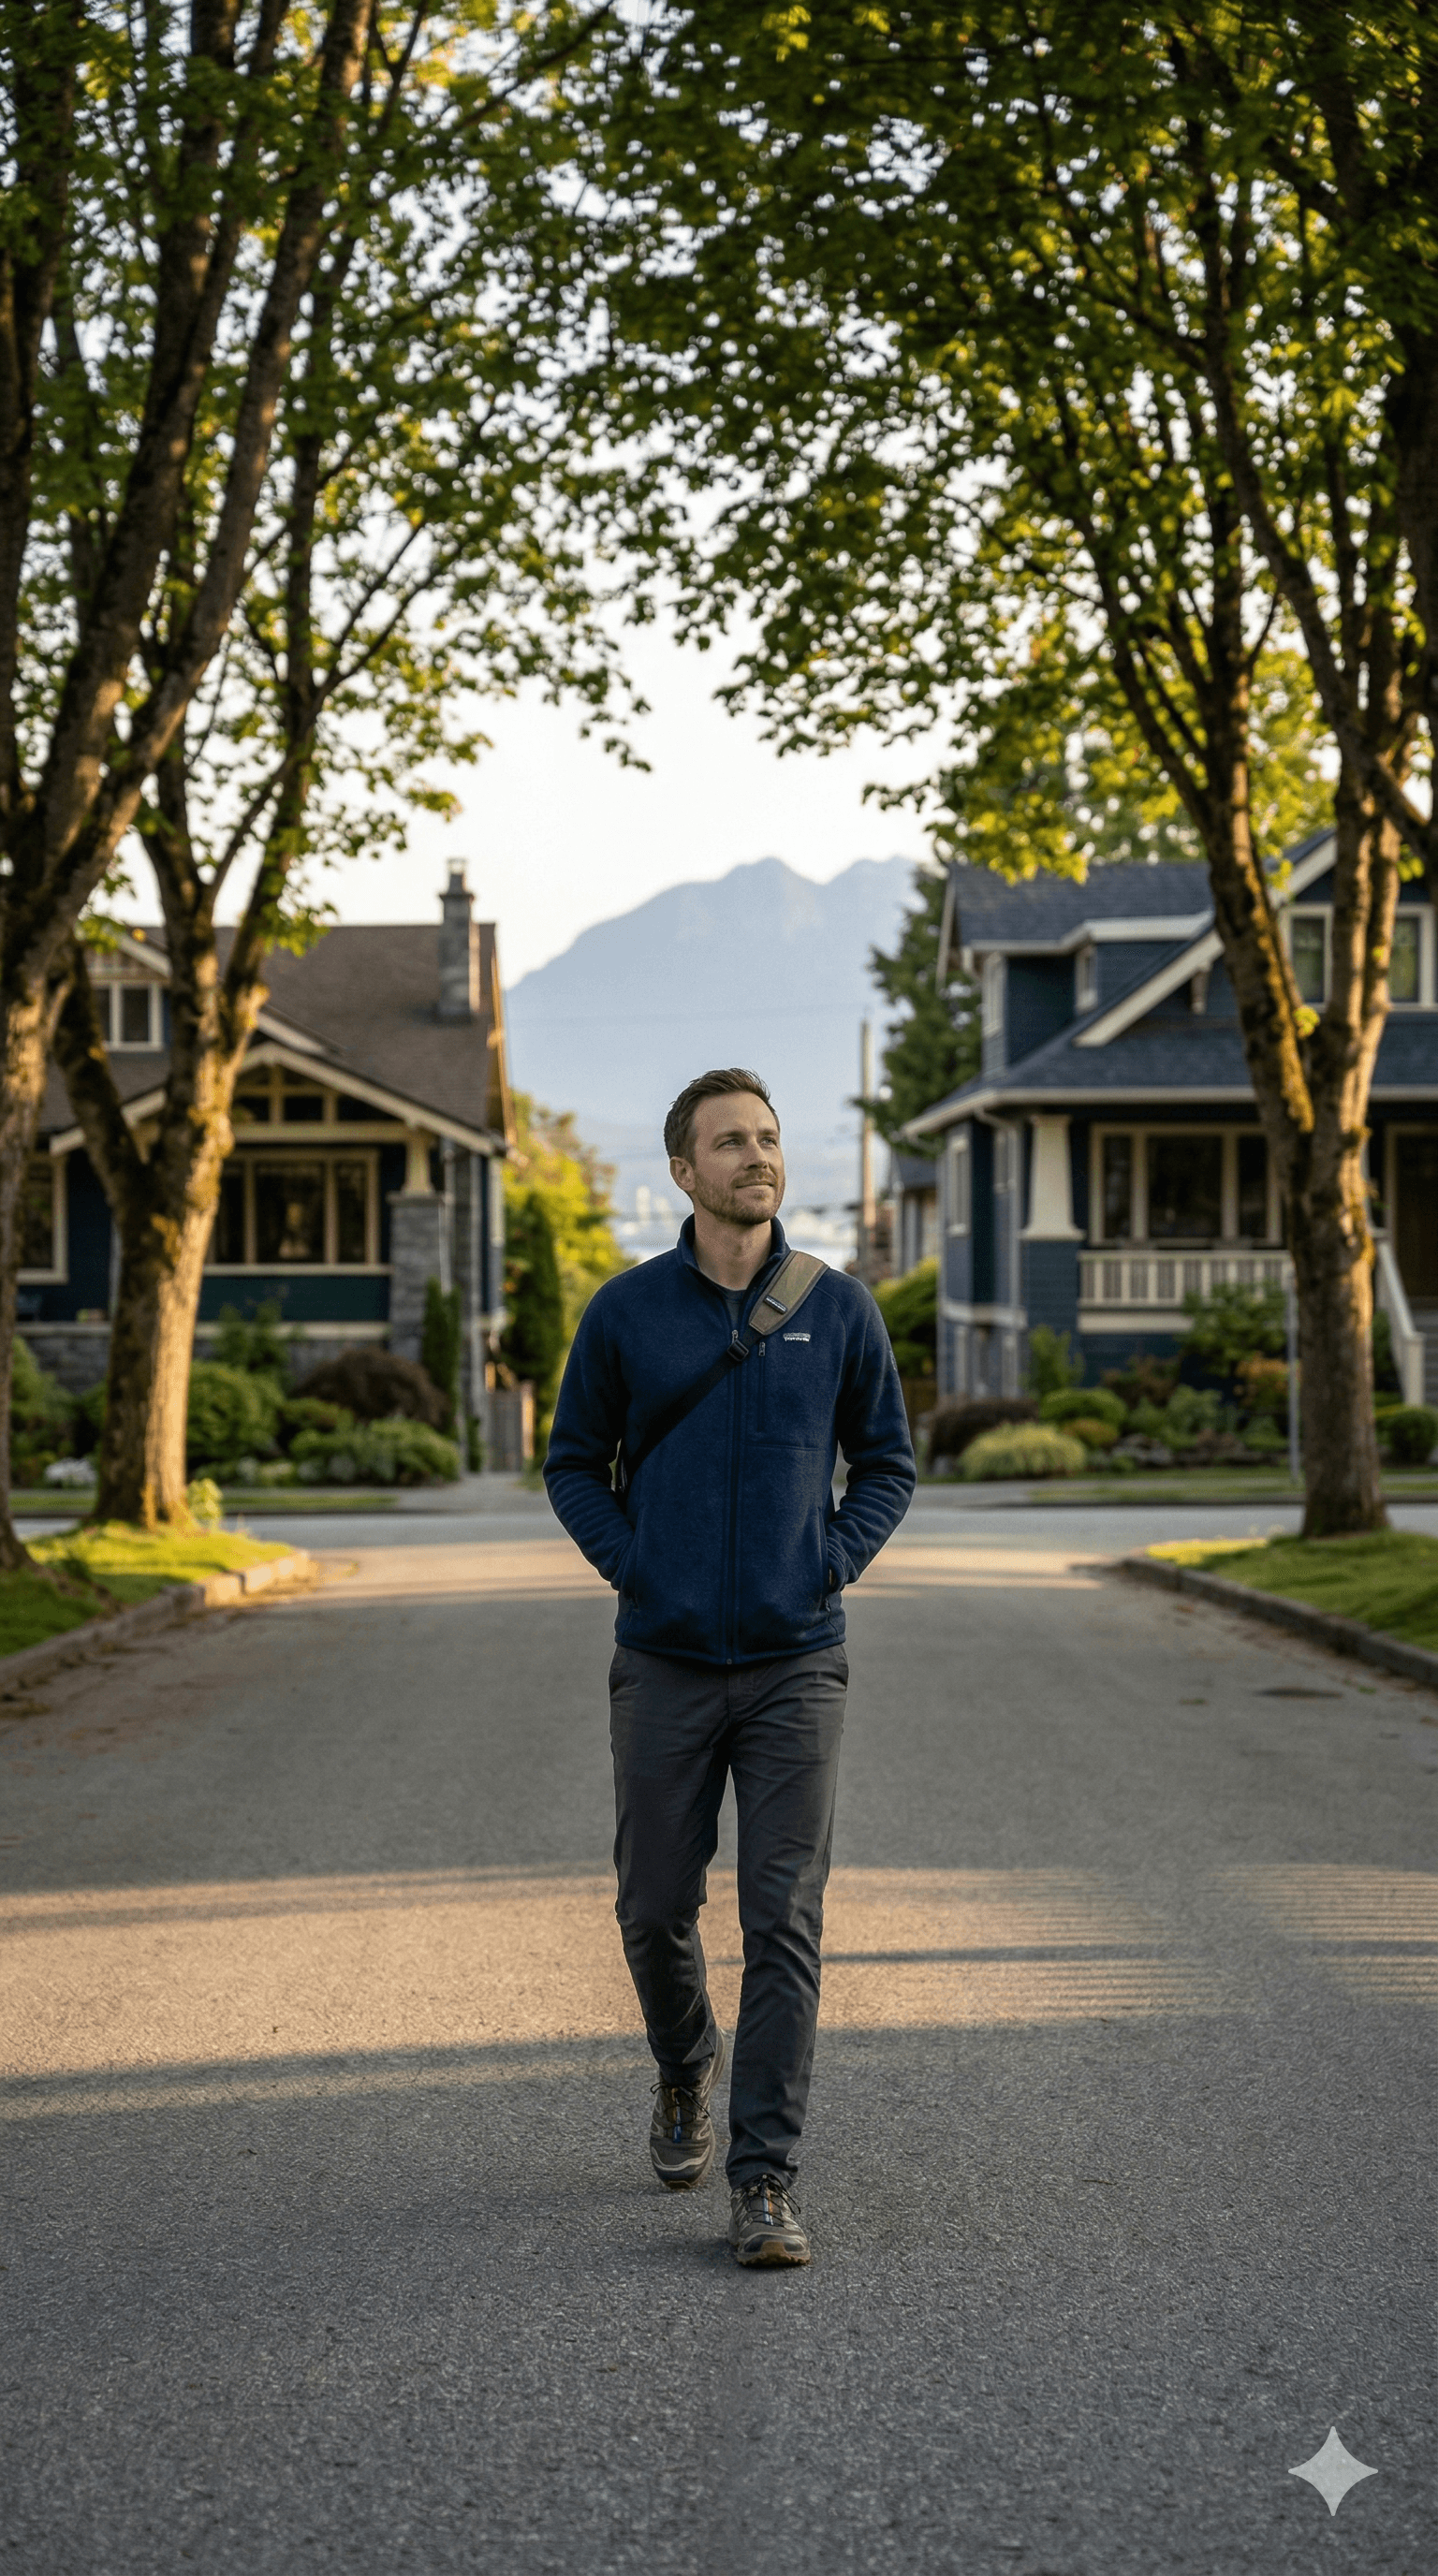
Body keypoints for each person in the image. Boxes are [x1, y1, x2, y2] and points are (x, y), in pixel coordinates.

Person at [544, 1068, 915, 2266]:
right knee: (652, 1905)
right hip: (663, 1660)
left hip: (797, 1661)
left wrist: (832, 1562)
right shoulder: (627, 1313)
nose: (756, 1156)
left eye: (767, 1137)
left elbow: (890, 1464)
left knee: (784, 1920)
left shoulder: (840, 1308)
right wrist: (634, 1568)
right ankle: (683, 2061)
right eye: (729, 1142)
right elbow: (570, 1464)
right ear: (683, 1171)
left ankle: (763, 2178)